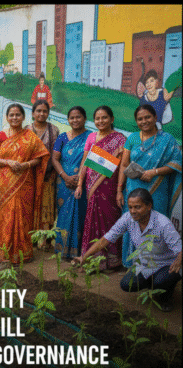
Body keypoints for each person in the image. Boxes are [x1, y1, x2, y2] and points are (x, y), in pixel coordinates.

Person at [74, 188, 182, 312]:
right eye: (130, 207)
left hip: (166, 264)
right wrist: (85, 256)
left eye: (137, 207)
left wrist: (179, 261)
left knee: (162, 281)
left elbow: (179, 249)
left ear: (149, 206)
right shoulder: (128, 218)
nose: (133, 211)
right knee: (126, 284)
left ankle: (165, 297)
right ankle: (154, 285)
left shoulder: (163, 224)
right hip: (145, 264)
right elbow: (106, 239)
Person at [120, 104, 182, 268]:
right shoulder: (133, 138)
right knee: (133, 223)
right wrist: (119, 189)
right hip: (133, 189)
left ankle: (156, 266)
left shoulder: (167, 139)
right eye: (140, 119)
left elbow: (177, 164)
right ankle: (133, 265)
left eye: (147, 117)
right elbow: (124, 164)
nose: (144, 121)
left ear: (155, 118)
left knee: (156, 225)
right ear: (136, 121)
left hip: (157, 190)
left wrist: (154, 172)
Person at [0, 104, 49, 264]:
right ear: (7, 117)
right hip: (5, 183)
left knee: (24, 216)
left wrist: (25, 165)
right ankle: (4, 251)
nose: (14, 118)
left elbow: (40, 157)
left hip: (25, 183)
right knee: (6, 216)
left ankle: (23, 252)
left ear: (23, 117)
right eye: (11, 115)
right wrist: (8, 162)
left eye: (18, 115)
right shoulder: (1, 135)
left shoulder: (30, 136)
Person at [75, 106, 127, 271]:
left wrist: (119, 189)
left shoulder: (119, 139)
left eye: (104, 117)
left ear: (112, 119)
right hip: (91, 186)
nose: (100, 121)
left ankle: (112, 260)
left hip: (109, 186)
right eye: (97, 118)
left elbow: (122, 166)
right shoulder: (91, 136)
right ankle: (91, 259)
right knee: (92, 220)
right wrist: (79, 184)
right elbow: (85, 162)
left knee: (109, 220)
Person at [51, 106, 92, 259]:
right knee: (63, 214)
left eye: (78, 117)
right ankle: (61, 249)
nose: (75, 120)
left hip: (83, 183)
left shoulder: (91, 137)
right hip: (63, 183)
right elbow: (55, 159)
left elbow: (91, 161)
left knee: (80, 214)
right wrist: (65, 177)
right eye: (72, 117)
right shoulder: (62, 137)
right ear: (68, 120)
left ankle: (77, 251)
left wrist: (80, 179)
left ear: (85, 119)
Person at [29, 100, 61, 248]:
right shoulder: (27, 130)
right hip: (30, 176)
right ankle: (32, 239)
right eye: (38, 111)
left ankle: (47, 240)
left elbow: (56, 154)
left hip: (49, 176)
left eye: (44, 111)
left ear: (48, 113)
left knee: (48, 207)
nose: (41, 114)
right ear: (33, 113)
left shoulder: (54, 130)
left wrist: (53, 172)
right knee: (30, 207)